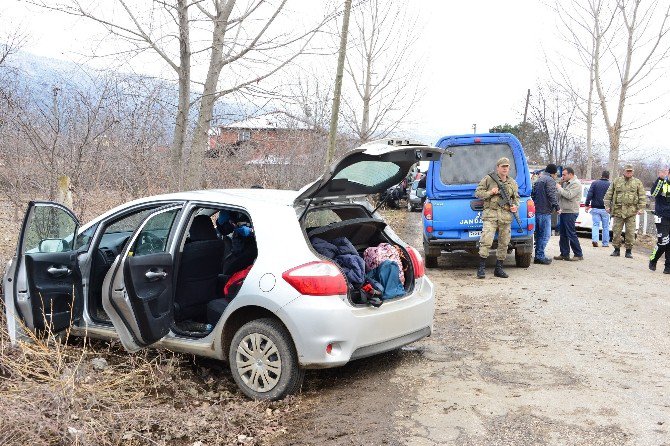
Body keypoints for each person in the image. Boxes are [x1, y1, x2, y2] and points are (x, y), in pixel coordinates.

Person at [474, 157, 519, 279]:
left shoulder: (512, 183)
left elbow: (516, 198)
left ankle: (498, 269)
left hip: (505, 216)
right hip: (491, 215)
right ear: (497, 167)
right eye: (502, 166)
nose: (505, 168)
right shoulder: (489, 179)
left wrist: (515, 206)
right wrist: (490, 193)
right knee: (486, 241)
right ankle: (481, 268)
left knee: (504, 243)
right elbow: (477, 193)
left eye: (507, 166)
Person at [604, 164, 646, 258]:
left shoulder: (637, 182)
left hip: (631, 211)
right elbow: (609, 194)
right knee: (616, 231)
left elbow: (642, 196)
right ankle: (616, 250)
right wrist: (607, 206)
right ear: (624, 171)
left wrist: (641, 208)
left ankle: (628, 251)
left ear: (633, 172)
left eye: (630, 171)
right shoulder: (617, 181)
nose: (629, 173)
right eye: (627, 171)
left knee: (630, 232)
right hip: (618, 211)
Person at [531, 163, 560, 264]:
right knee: (545, 235)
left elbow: (533, 194)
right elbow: (551, 194)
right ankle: (540, 256)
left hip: (537, 211)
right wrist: (557, 207)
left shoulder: (539, 179)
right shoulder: (550, 180)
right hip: (545, 211)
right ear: (553, 173)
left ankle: (538, 255)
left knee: (539, 235)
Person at [554, 166, 584, 261]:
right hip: (564, 211)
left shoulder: (576, 184)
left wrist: (559, 187)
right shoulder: (567, 183)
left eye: (564, 174)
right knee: (563, 234)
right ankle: (564, 253)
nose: (562, 176)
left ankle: (578, 254)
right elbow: (561, 195)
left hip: (571, 212)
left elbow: (569, 195)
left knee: (571, 233)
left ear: (570, 175)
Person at [649, 166, 670, 273]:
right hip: (662, 217)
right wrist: (660, 179)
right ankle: (653, 259)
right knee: (663, 242)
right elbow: (653, 193)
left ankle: (668, 267)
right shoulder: (662, 183)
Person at [585, 170, 611, 248]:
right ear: (608, 177)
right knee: (605, 226)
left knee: (595, 225)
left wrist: (587, 204)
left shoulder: (595, 183)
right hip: (606, 209)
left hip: (595, 208)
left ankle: (595, 240)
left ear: (601, 175)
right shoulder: (610, 185)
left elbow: (590, 194)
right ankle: (605, 243)